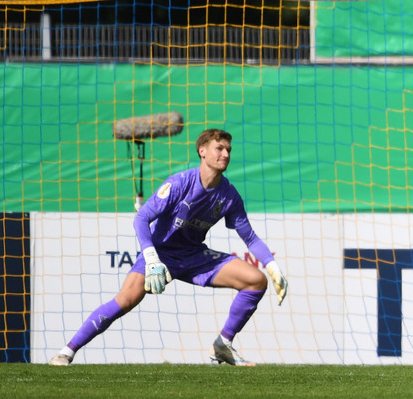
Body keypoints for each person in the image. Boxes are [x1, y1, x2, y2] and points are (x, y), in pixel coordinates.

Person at [49, 128, 288, 367]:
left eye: (228, 150)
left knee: (256, 280)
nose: (225, 154)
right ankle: (66, 352)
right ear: (202, 151)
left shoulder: (229, 196)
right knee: (125, 300)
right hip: (159, 254)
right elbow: (141, 219)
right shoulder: (179, 183)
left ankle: (223, 345)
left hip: (194, 255)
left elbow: (251, 239)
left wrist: (273, 266)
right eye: (219, 148)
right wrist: (152, 259)